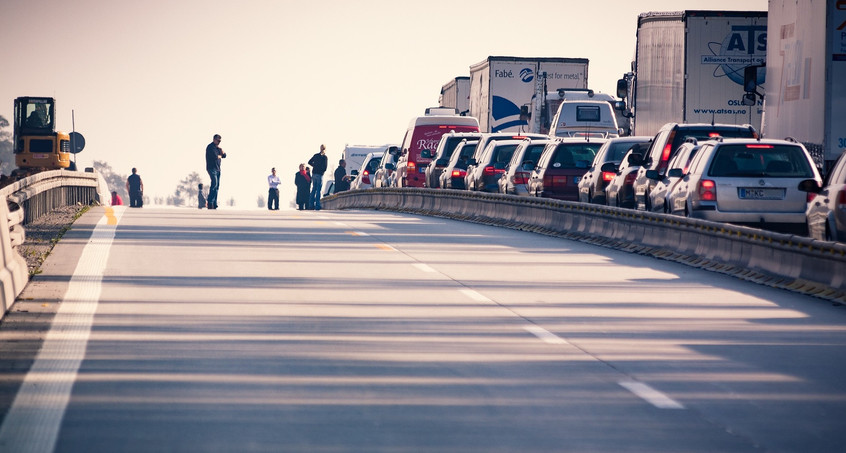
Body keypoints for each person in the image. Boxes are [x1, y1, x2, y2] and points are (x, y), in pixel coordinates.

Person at [205, 134, 227, 209]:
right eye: (218, 140)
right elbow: (215, 156)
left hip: (218, 169)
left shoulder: (218, 148)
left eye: (220, 141)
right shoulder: (210, 147)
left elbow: (224, 155)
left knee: (217, 186)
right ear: (214, 139)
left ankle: (214, 203)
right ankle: (210, 201)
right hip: (211, 168)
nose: (219, 142)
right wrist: (220, 155)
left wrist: (222, 151)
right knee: (214, 183)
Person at [307, 144, 328, 210]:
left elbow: (309, 162)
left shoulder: (316, 155)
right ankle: (317, 205)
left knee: (313, 189)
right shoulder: (324, 157)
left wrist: (315, 166)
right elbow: (325, 167)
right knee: (318, 190)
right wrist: (321, 170)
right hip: (320, 174)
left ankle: (311, 205)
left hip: (314, 173)